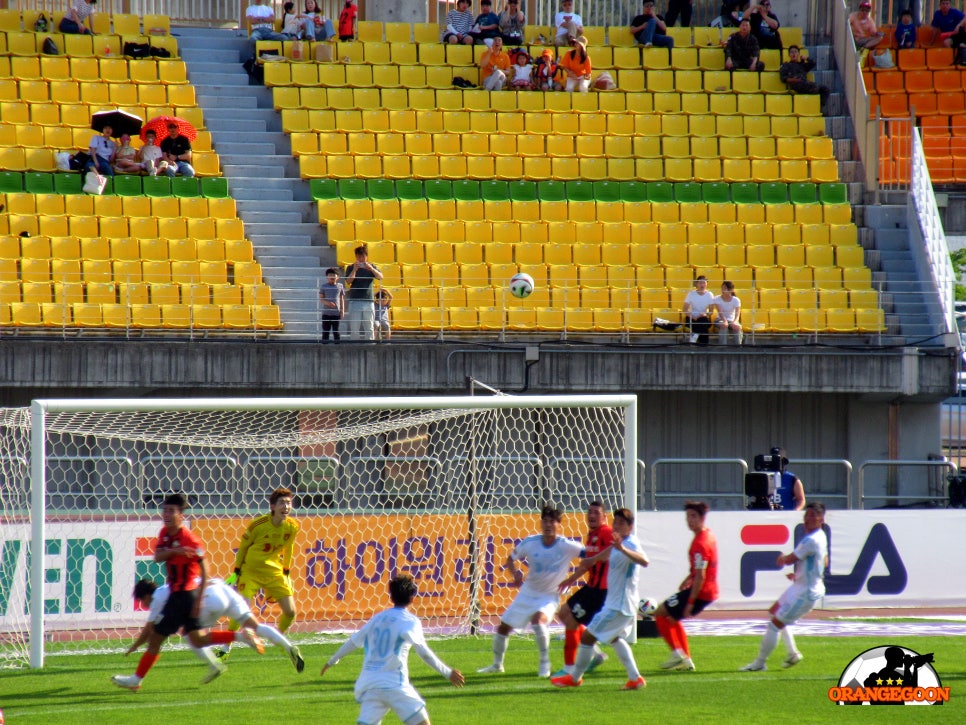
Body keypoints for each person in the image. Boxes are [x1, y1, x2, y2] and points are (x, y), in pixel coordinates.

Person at [111, 493, 264, 691]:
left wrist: (199, 598)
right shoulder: (165, 533)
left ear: (181, 515)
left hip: (183, 596)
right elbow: (157, 557)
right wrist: (175, 552)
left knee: (156, 639)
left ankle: (136, 680)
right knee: (198, 640)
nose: (166, 514)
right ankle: (241, 637)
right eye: (165, 510)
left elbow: (205, 568)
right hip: (180, 595)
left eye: (171, 511)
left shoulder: (190, 539)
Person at [321, 575, 465, 725]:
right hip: (395, 684)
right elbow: (423, 651)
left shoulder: (377, 619)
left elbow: (354, 641)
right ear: (412, 598)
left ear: (391, 596)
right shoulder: (410, 621)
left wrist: (332, 660)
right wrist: (447, 672)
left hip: (371, 685)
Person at [123, 577, 304, 686]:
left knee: (191, 635)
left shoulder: (157, 598)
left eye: (142, 602)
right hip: (224, 590)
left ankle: (221, 658)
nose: (144, 606)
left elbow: (149, 630)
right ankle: (289, 647)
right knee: (256, 626)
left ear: (146, 596)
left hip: (208, 599)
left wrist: (134, 646)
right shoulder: (170, 586)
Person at [477, 505, 584, 678]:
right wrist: (516, 573)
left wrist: (574, 576)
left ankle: (544, 663)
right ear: (541, 523)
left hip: (549, 596)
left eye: (552, 521)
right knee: (503, 627)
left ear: (559, 524)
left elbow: (589, 556)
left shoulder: (567, 545)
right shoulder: (531, 542)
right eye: (545, 521)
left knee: (538, 621)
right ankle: (497, 665)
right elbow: (510, 559)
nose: (548, 525)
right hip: (528, 593)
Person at [551, 508, 649, 691]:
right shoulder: (617, 544)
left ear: (630, 526)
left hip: (619, 605)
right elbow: (607, 553)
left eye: (622, 523)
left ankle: (574, 677)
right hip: (617, 603)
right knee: (614, 639)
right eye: (616, 522)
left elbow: (644, 561)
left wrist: (623, 549)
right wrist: (592, 560)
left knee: (588, 637)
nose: (617, 526)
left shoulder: (631, 543)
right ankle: (635, 678)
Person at [740, 502, 828, 672]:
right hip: (801, 585)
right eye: (806, 515)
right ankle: (792, 653)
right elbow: (824, 561)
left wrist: (782, 559)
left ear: (821, 519)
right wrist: (801, 575)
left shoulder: (811, 540)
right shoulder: (821, 536)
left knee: (774, 624)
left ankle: (760, 663)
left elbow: (789, 559)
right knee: (775, 611)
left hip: (805, 592)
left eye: (812, 515)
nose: (807, 518)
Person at [218, 487, 299, 659]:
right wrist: (237, 571)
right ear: (272, 507)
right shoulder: (258, 525)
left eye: (289, 503)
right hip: (250, 572)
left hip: (274, 571)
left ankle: (278, 637)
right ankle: (226, 646)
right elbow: (243, 548)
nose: (286, 506)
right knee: (241, 610)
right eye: (282, 503)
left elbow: (289, 547)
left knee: (290, 611)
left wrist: (286, 571)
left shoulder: (292, 526)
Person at [652, 500, 719, 672]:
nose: (689, 520)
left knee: (659, 612)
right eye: (688, 516)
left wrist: (690, 602)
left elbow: (701, 575)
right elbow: (701, 569)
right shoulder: (708, 535)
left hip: (701, 592)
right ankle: (686, 660)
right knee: (673, 618)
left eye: (693, 516)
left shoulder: (700, 543)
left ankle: (677, 654)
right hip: (707, 590)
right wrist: (689, 577)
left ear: (702, 518)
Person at [553, 501, 613, 679]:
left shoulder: (607, 533)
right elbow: (586, 564)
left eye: (596, 512)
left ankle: (569, 668)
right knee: (563, 613)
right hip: (590, 587)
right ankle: (595, 653)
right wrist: (570, 580)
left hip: (601, 591)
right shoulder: (592, 535)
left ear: (604, 516)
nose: (591, 515)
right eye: (589, 512)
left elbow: (612, 551)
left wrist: (595, 559)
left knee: (572, 622)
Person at [344, 245, 383, 341]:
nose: (361, 259)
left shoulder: (371, 266)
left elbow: (380, 277)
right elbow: (348, 281)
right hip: (355, 300)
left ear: (367, 256)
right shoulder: (350, 267)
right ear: (356, 257)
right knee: (354, 327)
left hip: (368, 301)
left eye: (363, 256)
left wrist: (371, 269)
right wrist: (354, 270)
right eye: (359, 256)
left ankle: (370, 346)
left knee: (369, 327)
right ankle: (355, 347)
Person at [768, 446, 806, 510]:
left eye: (779, 461)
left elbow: (801, 500)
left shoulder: (792, 479)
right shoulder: (763, 477)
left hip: (786, 516)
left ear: (784, 462)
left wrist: (794, 512)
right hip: (765, 515)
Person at [683, 275, 714, 345]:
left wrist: (705, 314)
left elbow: (711, 311)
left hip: (703, 317)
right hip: (692, 317)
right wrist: (693, 316)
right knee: (703, 327)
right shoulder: (691, 294)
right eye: (700, 283)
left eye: (704, 283)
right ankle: (704, 345)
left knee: (703, 321)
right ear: (696, 284)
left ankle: (695, 337)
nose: (702, 285)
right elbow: (684, 309)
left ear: (706, 284)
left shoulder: (709, 294)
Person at [320, 267, 346, 343]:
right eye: (330, 275)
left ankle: (337, 347)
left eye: (333, 275)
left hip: (336, 313)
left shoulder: (340, 286)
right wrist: (328, 303)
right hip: (326, 313)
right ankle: (324, 347)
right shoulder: (323, 286)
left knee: (336, 331)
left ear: (337, 277)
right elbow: (321, 299)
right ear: (327, 277)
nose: (332, 277)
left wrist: (342, 311)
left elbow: (341, 299)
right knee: (325, 331)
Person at [713, 280, 743, 345]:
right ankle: (722, 347)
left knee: (737, 328)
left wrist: (735, 322)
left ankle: (738, 347)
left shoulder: (736, 300)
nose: (723, 290)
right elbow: (720, 312)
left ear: (730, 289)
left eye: (725, 288)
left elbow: (737, 313)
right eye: (722, 288)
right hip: (720, 319)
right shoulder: (717, 298)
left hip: (731, 320)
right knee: (723, 326)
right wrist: (725, 321)